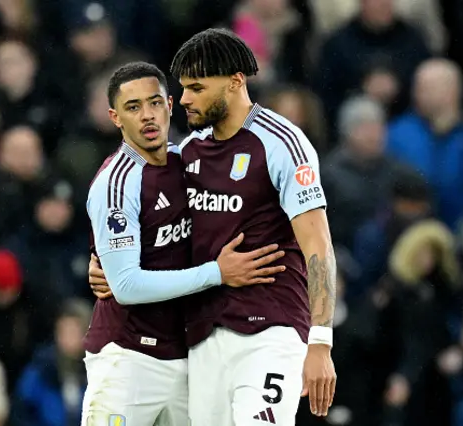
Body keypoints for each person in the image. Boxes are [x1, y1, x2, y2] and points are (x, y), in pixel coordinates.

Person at [91, 29, 338, 425]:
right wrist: (105, 262)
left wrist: (321, 340)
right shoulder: (188, 151)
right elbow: (151, 216)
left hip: (270, 331)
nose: (184, 99)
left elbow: (319, 246)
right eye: (184, 88)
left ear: (236, 81)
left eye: (196, 88)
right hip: (203, 340)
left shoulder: (282, 143)